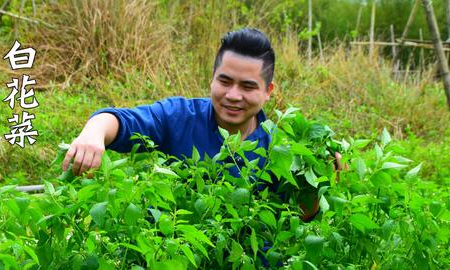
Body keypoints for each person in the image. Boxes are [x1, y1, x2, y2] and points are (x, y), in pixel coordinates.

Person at [62, 28, 333, 221]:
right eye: (225, 81)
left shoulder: (281, 147)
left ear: (268, 91)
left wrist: (315, 184)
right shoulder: (180, 116)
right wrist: (94, 131)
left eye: (248, 86)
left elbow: (298, 219)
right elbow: (123, 121)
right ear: (213, 79)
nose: (233, 95)